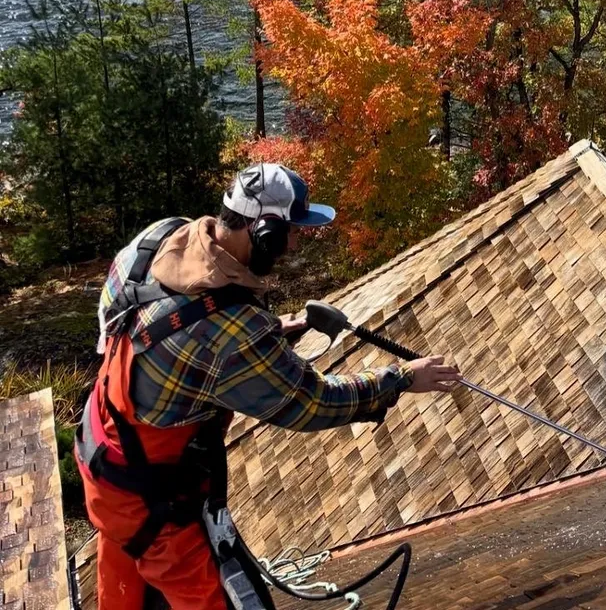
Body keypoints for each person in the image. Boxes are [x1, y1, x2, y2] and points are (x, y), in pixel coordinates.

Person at [75, 164, 461, 610]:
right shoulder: (234, 330)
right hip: (151, 503)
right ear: (264, 233)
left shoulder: (162, 238)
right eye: (290, 233)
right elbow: (312, 403)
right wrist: (402, 378)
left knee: (124, 594)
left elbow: (129, 331)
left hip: (101, 452)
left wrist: (271, 333)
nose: (293, 245)